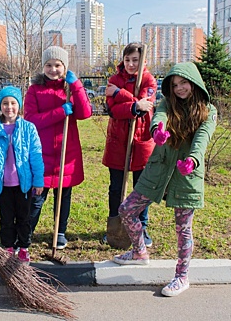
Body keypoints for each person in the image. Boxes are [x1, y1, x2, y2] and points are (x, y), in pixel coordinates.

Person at [112, 62, 217, 297]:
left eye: (184, 83)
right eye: (175, 84)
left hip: (186, 173)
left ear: (194, 83)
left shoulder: (209, 110)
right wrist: (157, 130)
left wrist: (193, 161)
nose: (179, 88)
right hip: (159, 170)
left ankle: (182, 276)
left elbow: (202, 138)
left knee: (183, 229)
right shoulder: (167, 103)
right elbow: (159, 116)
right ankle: (139, 253)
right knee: (127, 209)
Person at [24, 46, 92, 249]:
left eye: (58, 65)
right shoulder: (34, 90)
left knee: (63, 196)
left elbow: (85, 113)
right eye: (49, 65)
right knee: (37, 197)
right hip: (41, 154)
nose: (53, 69)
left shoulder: (69, 89)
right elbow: (31, 120)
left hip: (66, 152)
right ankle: (27, 232)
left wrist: (77, 86)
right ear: (43, 66)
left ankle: (60, 231)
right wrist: (60, 112)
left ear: (65, 67)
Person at [102, 42, 157, 249]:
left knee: (141, 189)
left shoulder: (149, 79)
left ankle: (141, 226)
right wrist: (133, 103)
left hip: (141, 143)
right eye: (127, 60)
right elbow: (113, 110)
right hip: (118, 142)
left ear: (142, 60)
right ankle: (115, 225)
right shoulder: (114, 80)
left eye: (135, 60)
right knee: (116, 187)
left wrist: (121, 95)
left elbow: (145, 107)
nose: (131, 64)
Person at [0, 86, 44, 264]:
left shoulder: (28, 129)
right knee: (6, 219)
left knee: (24, 218)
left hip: (23, 184)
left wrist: (38, 181)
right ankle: (8, 247)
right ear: (0, 106)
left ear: (19, 105)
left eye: (13, 103)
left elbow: (36, 157)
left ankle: (24, 247)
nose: (9, 107)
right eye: (5, 103)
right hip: (3, 186)